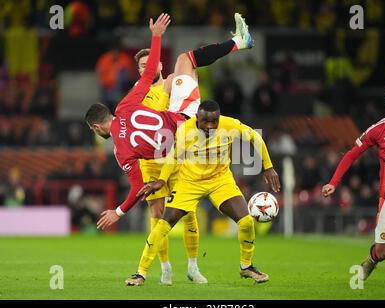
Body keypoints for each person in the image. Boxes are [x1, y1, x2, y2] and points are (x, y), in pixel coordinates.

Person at [85, 13, 255, 284]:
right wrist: (156, 36)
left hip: (178, 143)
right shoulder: (129, 102)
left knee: (184, 213)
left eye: (145, 65)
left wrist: (117, 212)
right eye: (140, 67)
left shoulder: (124, 145)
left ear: (96, 127)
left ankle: (188, 266)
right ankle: (162, 268)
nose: (144, 69)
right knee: (187, 60)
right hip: (172, 146)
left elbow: (135, 187)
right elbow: (154, 76)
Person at [131, 100, 281, 286]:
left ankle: (246, 266)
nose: (210, 126)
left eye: (214, 121)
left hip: (220, 180)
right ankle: (141, 273)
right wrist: (161, 181)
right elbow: (174, 157)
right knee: (163, 224)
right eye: (205, 122)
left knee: (246, 221)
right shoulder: (185, 130)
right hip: (189, 182)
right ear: (197, 118)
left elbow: (255, 138)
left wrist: (268, 167)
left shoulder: (230, 124)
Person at [322, 81, 385, 281]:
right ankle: (371, 261)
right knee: (382, 252)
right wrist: (333, 182)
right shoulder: (379, 129)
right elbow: (351, 154)